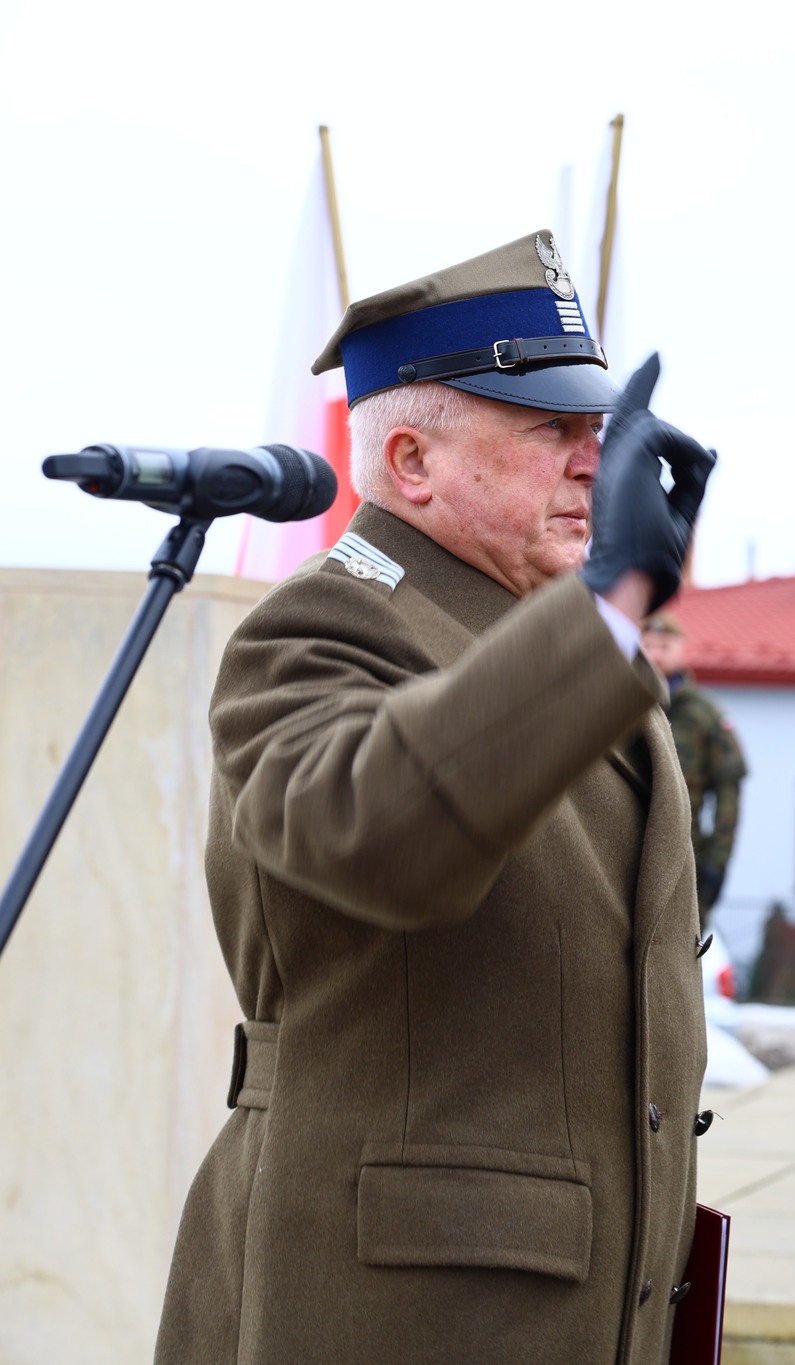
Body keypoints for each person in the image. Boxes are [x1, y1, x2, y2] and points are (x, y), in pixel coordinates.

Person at [155, 232, 719, 1365]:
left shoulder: (542, 633)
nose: (592, 464)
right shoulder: (322, 625)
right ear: (410, 463)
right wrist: (610, 604)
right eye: (550, 431)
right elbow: (384, 835)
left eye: (596, 432)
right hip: (400, 1317)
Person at [642, 613, 747, 926]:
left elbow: (729, 794)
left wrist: (716, 864)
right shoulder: (619, 702)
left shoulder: (703, 715)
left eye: (664, 646)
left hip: (683, 858)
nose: (656, 655)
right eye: (648, 645)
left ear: (681, 649)